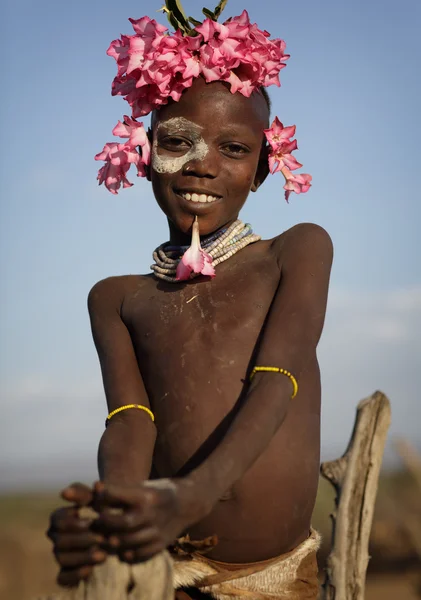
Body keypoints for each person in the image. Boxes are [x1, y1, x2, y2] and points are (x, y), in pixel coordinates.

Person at [47, 3, 333, 598]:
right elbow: (131, 422)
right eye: (179, 142)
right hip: (166, 575)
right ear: (148, 153)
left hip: (274, 580)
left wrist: (192, 494)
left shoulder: (295, 252)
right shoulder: (118, 299)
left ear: (260, 170)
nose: (203, 166)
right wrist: (114, 513)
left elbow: (277, 380)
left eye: (233, 149)